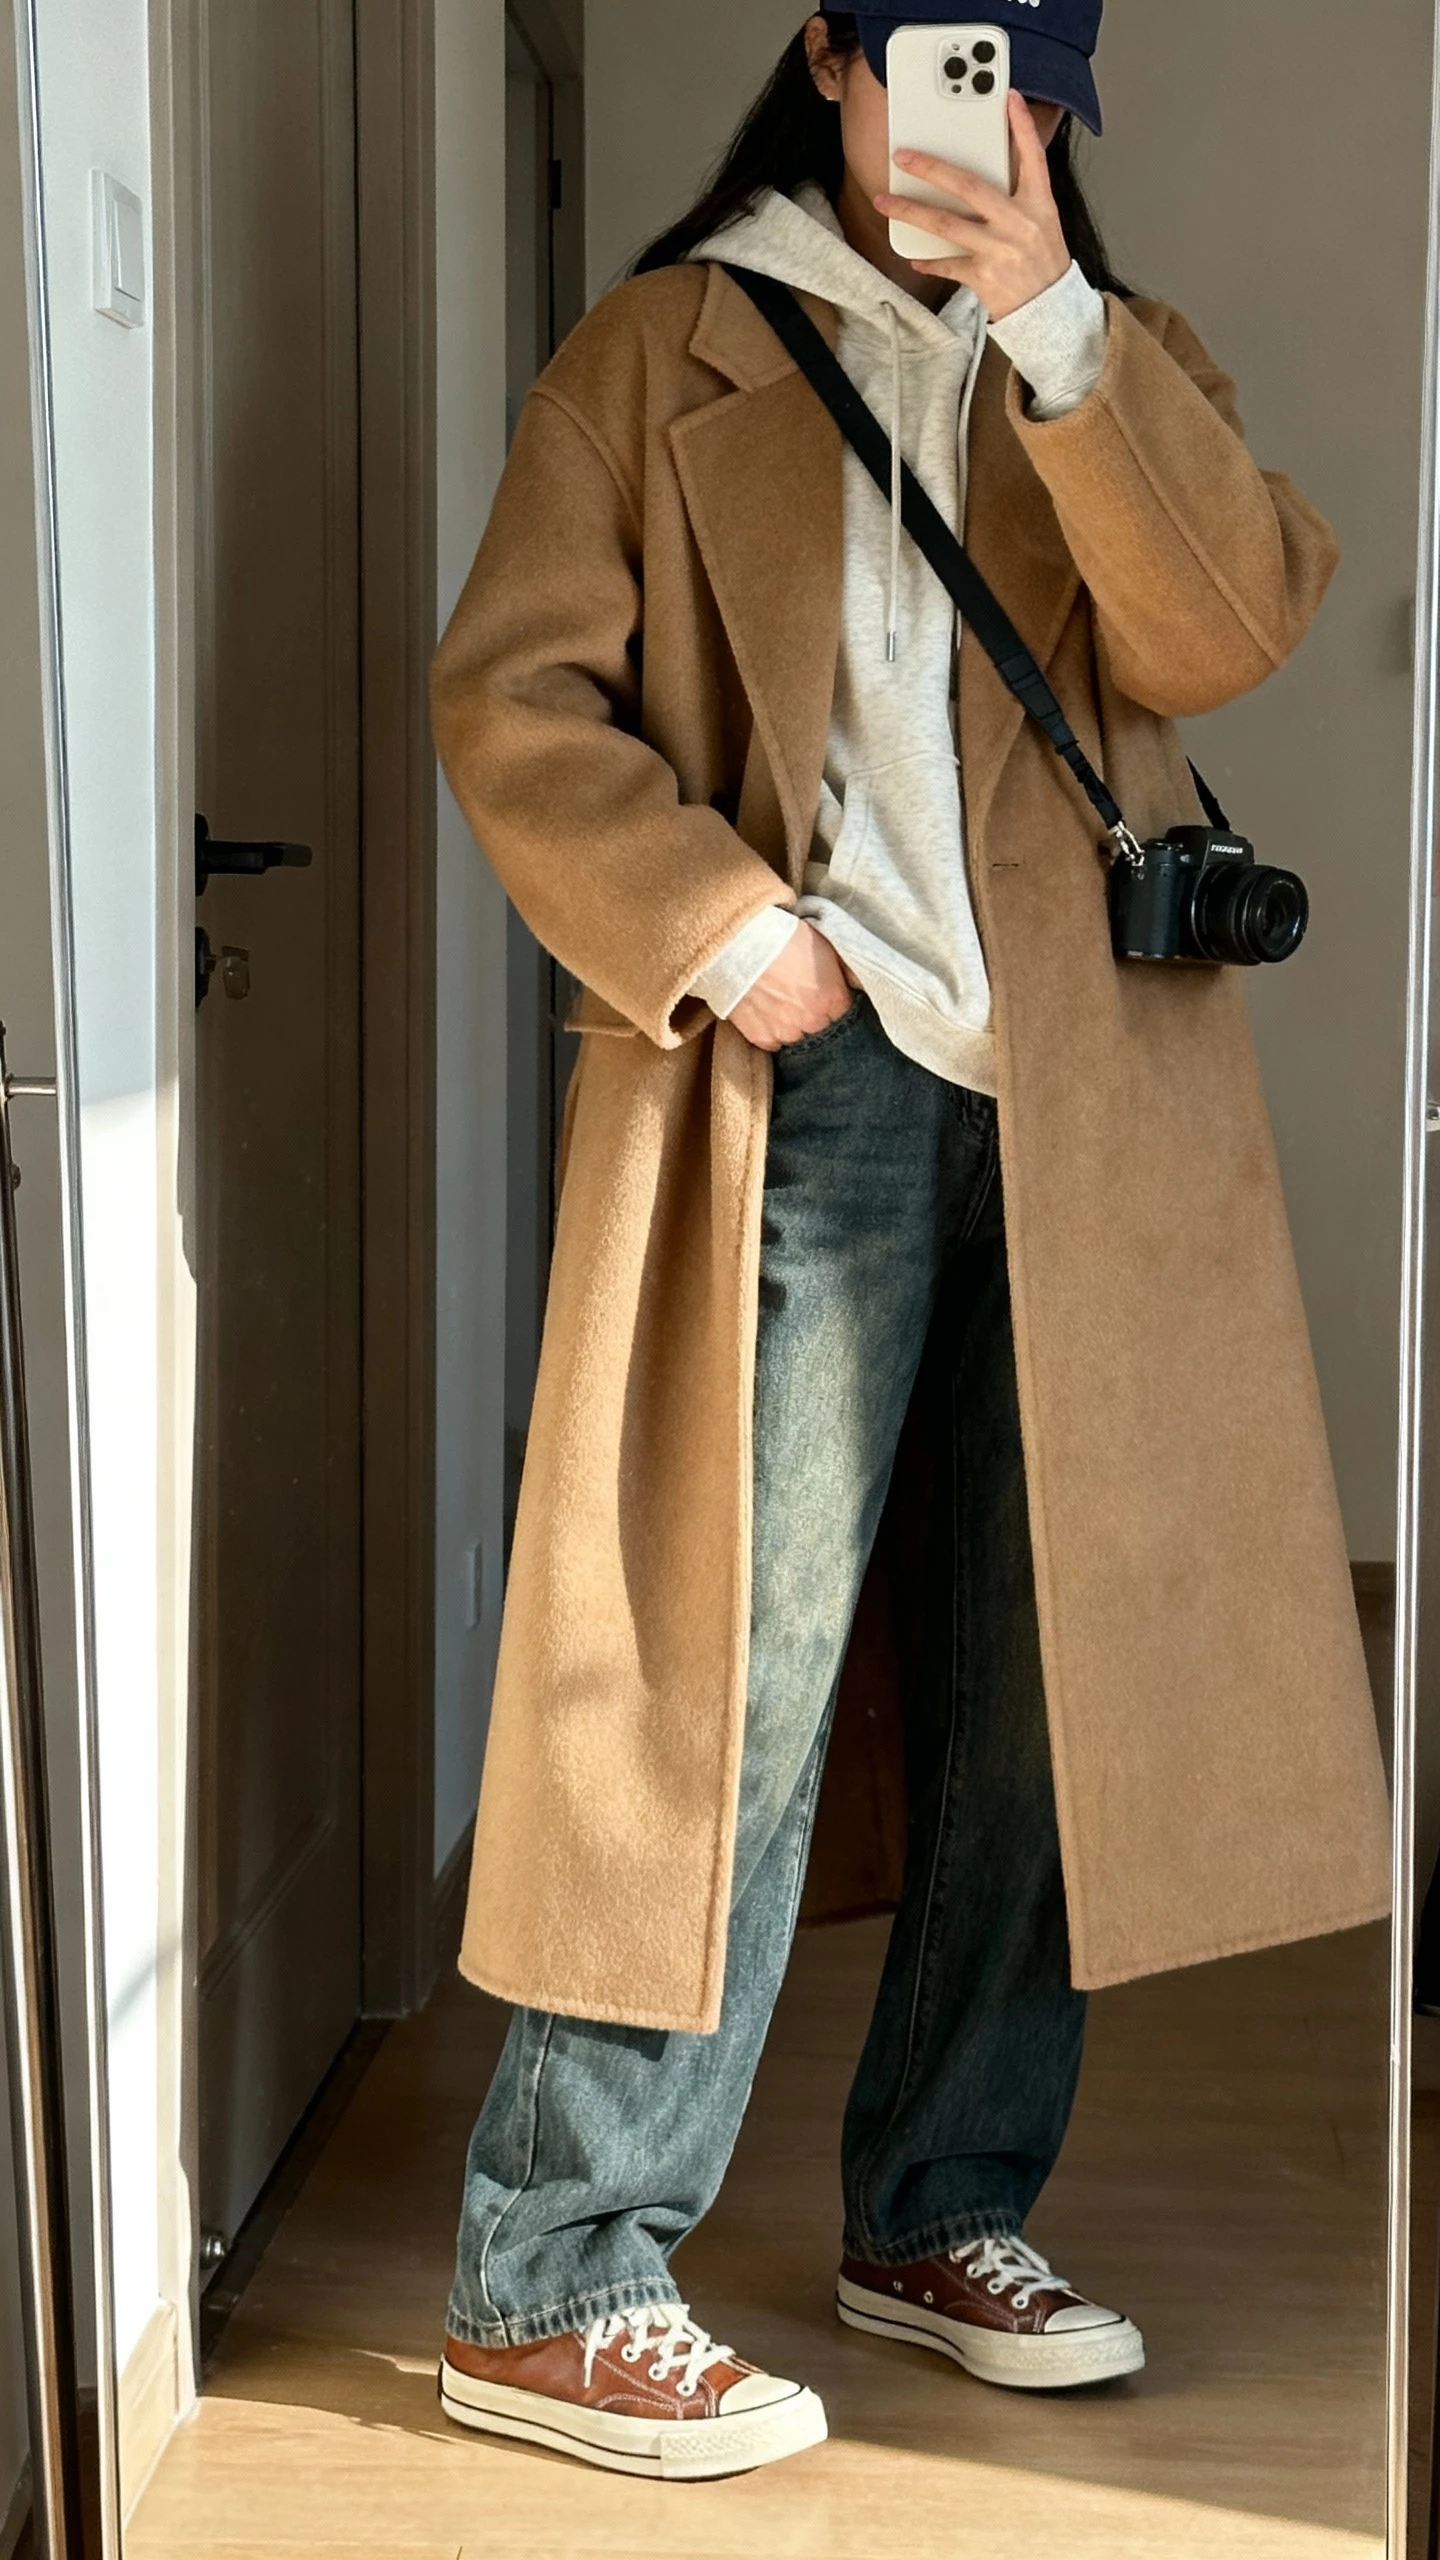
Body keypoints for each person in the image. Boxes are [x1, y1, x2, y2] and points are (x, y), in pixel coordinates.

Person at [429, 1, 1393, 2484]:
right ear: (838, 65)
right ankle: (553, 2264)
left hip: (1090, 1110)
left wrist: (1059, 328)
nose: (1003, 117)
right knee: (716, 1682)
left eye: (1043, 82)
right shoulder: (662, 347)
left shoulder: (1106, 354)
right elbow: (516, 697)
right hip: (790, 1077)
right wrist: (716, 915)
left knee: (1046, 1681)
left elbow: (1225, 621)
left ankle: (943, 2200)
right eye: (959, 62)